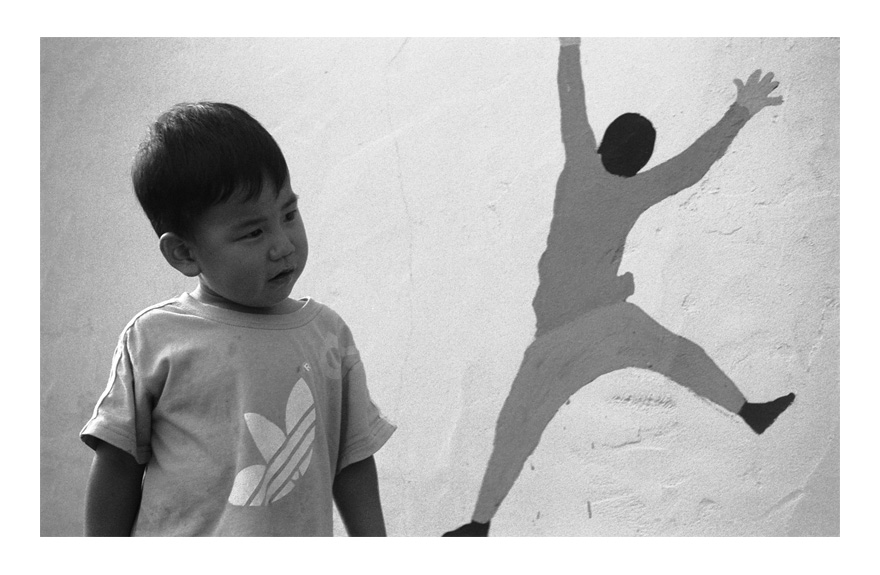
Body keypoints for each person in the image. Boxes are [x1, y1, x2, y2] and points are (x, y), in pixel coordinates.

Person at [444, 38, 794, 536]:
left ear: (603, 145)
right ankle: (748, 410)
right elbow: (691, 166)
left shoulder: (581, 169)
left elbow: (572, 103)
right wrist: (739, 112)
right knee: (677, 353)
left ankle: (479, 525)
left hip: (558, 340)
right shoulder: (634, 190)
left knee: (517, 426)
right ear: (640, 163)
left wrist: (569, 44)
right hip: (610, 325)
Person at [81, 102, 396, 536]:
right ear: (184, 253)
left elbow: (353, 461)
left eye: (289, 214)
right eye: (253, 232)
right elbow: (117, 463)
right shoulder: (155, 338)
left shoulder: (328, 336)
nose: (283, 244)